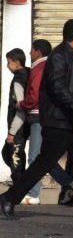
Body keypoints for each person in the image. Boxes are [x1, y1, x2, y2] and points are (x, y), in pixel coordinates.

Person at [1, 19, 73, 221]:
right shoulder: (59, 56)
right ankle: (8, 199)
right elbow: (58, 87)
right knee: (44, 163)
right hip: (60, 122)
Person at [18, 39, 73, 204]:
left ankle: (34, 193)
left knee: (36, 157)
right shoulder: (48, 65)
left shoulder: (39, 68)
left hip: (38, 116)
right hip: (46, 116)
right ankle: (72, 184)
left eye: (31, 50)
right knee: (46, 158)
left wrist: (22, 104)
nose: (30, 53)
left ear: (38, 51)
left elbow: (35, 95)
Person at [3, 49, 29, 184]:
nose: (7, 66)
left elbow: (21, 109)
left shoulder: (18, 81)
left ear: (17, 62)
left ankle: (19, 187)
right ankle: (22, 182)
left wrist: (12, 132)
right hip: (25, 124)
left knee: (14, 155)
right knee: (8, 152)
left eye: (9, 62)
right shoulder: (28, 73)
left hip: (18, 126)